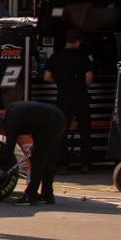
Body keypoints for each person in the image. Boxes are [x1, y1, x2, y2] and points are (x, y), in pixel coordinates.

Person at [0, 101, 68, 205]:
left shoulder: (10, 122)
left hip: (52, 122)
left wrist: (3, 168)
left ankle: (30, 195)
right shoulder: (12, 110)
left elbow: (10, 146)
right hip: (58, 118)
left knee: (37, 160)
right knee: (48, 161)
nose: (4, 134)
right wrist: (37, 144)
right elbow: (36, 123)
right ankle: (47, 195)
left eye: (1, 133)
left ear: (1, 127)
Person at [44, 30, 94, 171]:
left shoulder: (56, 56)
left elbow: (46, 77)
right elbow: (89, 77)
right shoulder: (83, 56)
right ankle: (86, 164)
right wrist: (81, 86)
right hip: (81, 97)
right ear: (78, 42)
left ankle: (62, 164)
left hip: (63, 98)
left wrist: (61, 82)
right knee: (85, 131)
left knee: (62, 131)